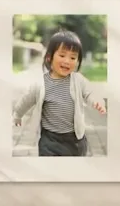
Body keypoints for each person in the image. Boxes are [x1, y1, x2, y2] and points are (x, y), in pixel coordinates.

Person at [13, 29, 107, 157]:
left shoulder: (78, 80)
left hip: (75, 140)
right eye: (62, 55)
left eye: (73, 57)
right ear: (49, 57)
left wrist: (97, 101)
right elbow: (26, 100)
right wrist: (18, 114)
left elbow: (90, 92)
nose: (67, 61)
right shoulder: (41, 83)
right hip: (49, 140)